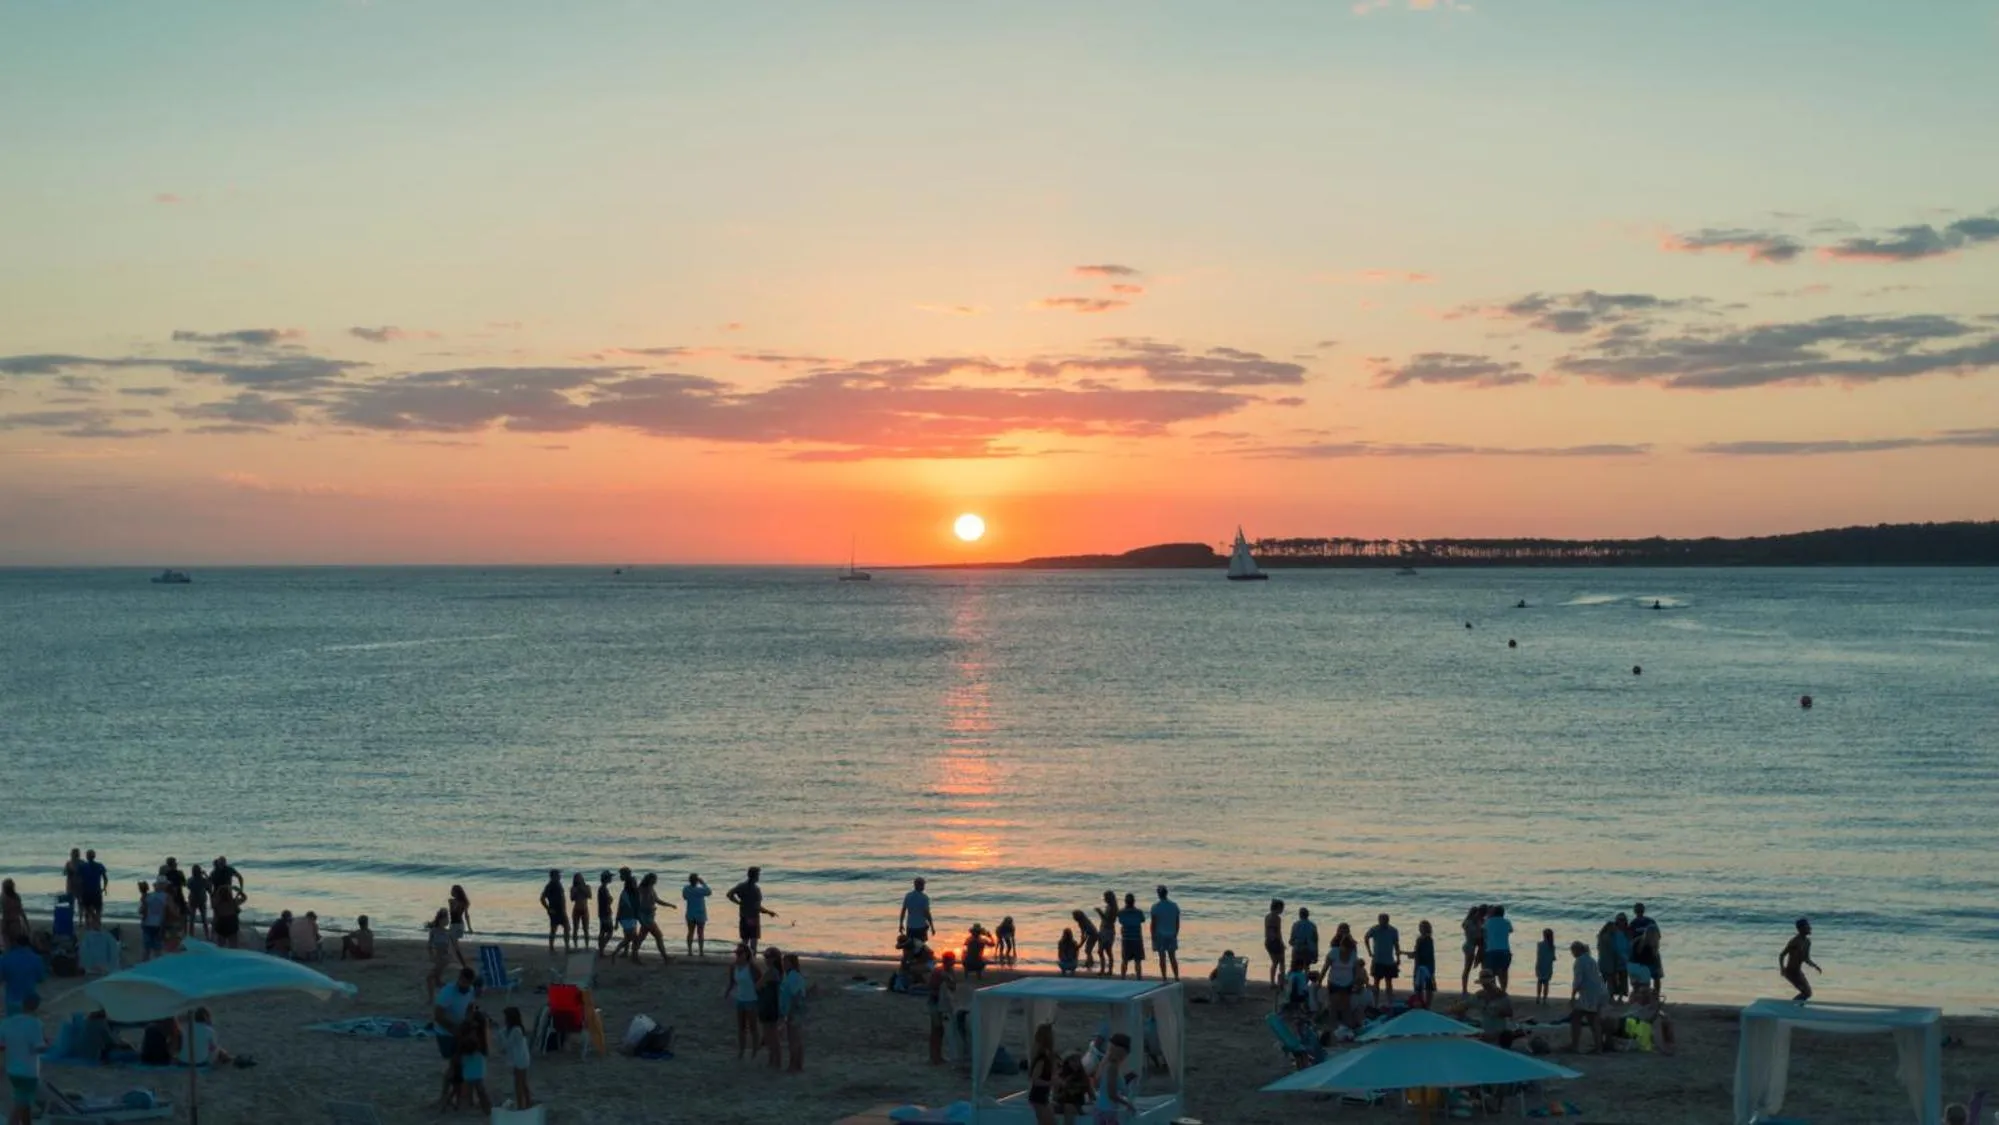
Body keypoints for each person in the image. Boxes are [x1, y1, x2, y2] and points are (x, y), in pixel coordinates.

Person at [433, 968, 477, 1105]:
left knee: (459, 1064)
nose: (464, 985)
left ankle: (455, 1096)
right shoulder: (448, 992)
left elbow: (470, 1007)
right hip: (445, 1032)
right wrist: (454, 1030)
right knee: (454, 1063)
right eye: (462, 981)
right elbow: (438, 1015)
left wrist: (468, 1022)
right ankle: (445, 1096)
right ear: (459, 979)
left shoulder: (470, 991)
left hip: (460, 1030)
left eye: (467, 983)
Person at [1, 993, 44, 1125]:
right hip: (29, 1071)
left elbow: (2, 1046)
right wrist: (48, 1045)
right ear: (36, 1007)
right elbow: (37, 1048)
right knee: (20, 1104)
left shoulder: (5, 1023)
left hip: (12, 1070)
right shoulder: (35, 1023)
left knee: (25, 1104)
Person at [1568, 941, 1608, 1053]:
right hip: (1600, 992)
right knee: (1593, 1020)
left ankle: (1575, 1045)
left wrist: (1572, 996)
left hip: (1589, 994)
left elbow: (1578, 981)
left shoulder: (1579, 961)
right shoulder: (1591, 960)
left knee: (1576, 1018)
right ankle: (1598, 1046)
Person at [727, 868, 777, 955]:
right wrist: (769, 912)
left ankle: (741, 957)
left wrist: (738, 903)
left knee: (745, 940)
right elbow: (757, 907)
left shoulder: (741, 886)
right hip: (753, 917)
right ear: (755, 876)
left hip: (743, 916)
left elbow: (729, 894)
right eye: (758, 875)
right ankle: (752, 958)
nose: (759, 876)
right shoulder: (756, 889)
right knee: (753, 941)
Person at [1090, 1032, 1135, 1124]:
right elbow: (1112, 1094)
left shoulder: (1105, 1062)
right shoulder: (1113, 1066)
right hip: (1108, 1111)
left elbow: (1097, 1084)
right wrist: (1128, 1104)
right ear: (1121, 1050)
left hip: (1101, 1109)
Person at [1321, 934, 1363, 1031]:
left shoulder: (1353, 954)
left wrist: (1358, 982)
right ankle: (1333, 1027)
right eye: (1346, 949)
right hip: (1334, 981)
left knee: (1346, 1006)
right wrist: (1320, 980)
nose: (1348, 952)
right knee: (1333, 1005)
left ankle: (1346, 1027)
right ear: (1342, 946)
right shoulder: (1334, 952)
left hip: (1347, 983)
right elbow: (1325, 967)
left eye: (1350, 950)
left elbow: (1356, 969)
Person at [455, 1004, 492, 1112]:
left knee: (476, 1085)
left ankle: (483, 1107)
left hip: (473, 1056)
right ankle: (472, 1106)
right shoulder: (472, 1023)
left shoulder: (476, 1022)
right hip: (472, 1056)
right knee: (474, 1084)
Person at [1468, 969, 1517, 1047]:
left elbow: (1510, 1013)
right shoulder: (1480, 995)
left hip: (1500, 1034)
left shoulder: (1502, 996)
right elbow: (1465, 1005)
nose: (1485, 985)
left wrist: (1497, 1012)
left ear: (1492, 982)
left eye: (1487, 983)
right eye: (1483, 984)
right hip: (1486, 1032)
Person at [636, 873, 677, 965]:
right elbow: (638, 904)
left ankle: (634, 955)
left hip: (650, 916)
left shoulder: (651, 888)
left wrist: (669, 905)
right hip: (646, 917)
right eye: (654, 879)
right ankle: (666, 958)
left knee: (641, 937)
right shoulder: (643, 889)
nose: (656, 881)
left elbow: (657, 900)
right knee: (658, 936)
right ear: (650, 880)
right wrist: (640, 918)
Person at [1, 938, 46, 1017]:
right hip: (29, 1002)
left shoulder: (6, 958)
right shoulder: (36, 958)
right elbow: (41, 978)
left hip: (12, 1001)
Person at [927, 950, 958, 1065]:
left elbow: (953, 986)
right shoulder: (939, 971)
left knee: (941, 1030)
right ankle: (934, 1057)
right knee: (936, 1029)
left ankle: (938, 1055)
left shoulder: (950, 972)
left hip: (944, 1003)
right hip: (935, 1003)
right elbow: (932, 987)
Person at [1780, 918, 1822, 1001]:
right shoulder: (1795, 941)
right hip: (1790, 972)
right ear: (1801, 929)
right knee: (1806, 993)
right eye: (1807, 926)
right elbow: (1782, 955)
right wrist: (1782, 968)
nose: (1810, 928)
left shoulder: (1807, 942)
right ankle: (1792, 1007)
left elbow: (1806, 958)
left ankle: (1797, 1007)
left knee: (1807, 993)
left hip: (1798, 972)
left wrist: (1815, 966)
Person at [756, 948, 784, 1069]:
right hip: (772, 1004)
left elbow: (758, 985)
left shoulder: (771, 972)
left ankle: (774, 1061)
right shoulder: (778, 972)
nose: (766, 960)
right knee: (771, 1034)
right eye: (765, 957)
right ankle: (773, 1060)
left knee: (770, 1034)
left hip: (768, 1005)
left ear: (774, 959)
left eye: (768, 957)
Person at [1364, 913, 1401, 1006]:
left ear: (1388, 920)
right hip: (1377, 960)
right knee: (1376, 982)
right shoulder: (1375, 929)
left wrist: (1398, 958)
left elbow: (1396, 944)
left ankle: (1390, 1003)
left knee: (1389, 982)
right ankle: (1375, 1003)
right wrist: (1369, 951)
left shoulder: (1393, 930)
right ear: (1379, 920)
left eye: (1385, 920)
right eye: (1381, 920)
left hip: (1389, 960)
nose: (1383, 922)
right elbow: (1366, 937)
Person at [780, 951, 807, 1072]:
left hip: (794, 1011)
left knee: (793, 1039)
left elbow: (796, 996)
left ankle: (794, 1064)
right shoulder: (792, 976)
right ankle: (798, 1064)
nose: (783, 964)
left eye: (786, 962)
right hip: (795, 1010)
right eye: (783, 962)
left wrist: (789, 1012)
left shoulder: (793, 977)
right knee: (796, 1039)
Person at [502, 1006, 533, 1111]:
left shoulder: (516, 1030)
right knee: (523, 1082)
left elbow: (508, 1044)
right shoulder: (517, 1029)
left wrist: (502, 1034)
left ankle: (521, 1105)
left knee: (518, 1084)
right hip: (522, 1058)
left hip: (520, 1060)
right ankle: (528, 1102)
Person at [1628, 902, 1663, 996]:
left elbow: (1630, 940)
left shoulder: (1635, 923)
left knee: (1650, 976)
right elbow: (1658, 936)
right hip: (1646, 952)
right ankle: (1654, 995)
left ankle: (1650, 995)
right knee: (1654, 976)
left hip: (1645, 952)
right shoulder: (1649, 922)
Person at [1027, 1022, 1058, 1125]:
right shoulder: (1042, 1059)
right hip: (1038, 1097)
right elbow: (1035, 1080)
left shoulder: (1047, 1057)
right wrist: (1050, 1083)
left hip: (1043, 1096)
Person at [1149, 886, 1180, 981]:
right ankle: (1176, 977)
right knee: (1172, 957)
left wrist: (1152, 936)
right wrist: (1176, 933)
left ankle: (1164, 977)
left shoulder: (1155, 907)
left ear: (1158, 894)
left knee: (1162, 957)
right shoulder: (1174, 906)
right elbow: (1177, 922)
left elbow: (1153, 924)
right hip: (1171, 934)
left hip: (1160, 935)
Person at [1482, 904, 1515, 990]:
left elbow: (1483, 931)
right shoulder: (1507, 922)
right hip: (1505, 950)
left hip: (1491, 950)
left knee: (1491, 973)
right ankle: (1503, 990)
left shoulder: (1488, 922)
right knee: (1503, 973)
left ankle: (1494, 990)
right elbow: (1511, 930)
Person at [1116, 894, 1147, 980]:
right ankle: (1139, 978)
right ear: (1134, 902)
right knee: (1137, 961)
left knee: (1125, 960)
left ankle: (1122, 978)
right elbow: (1143, 920)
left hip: (1126, 938)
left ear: (1125, 902)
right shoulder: (1139, 912)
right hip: (1137, 938)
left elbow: (1120, 921)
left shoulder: (1121, 912)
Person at [539, 869, 569, 954]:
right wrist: (548, 908)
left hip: (561, 910)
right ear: (553, 876)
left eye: (559, 875)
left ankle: (566, 947)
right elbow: (542, 898)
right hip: (555, 911)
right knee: (555, 929)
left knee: (566, 928)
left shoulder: (558, 884)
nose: (560, 876)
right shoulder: (550, 885)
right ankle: (552, 948)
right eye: (558, 875)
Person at [424, 909, 453, 996]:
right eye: (445, 919)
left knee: (430, 978)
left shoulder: (448, 932)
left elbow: (451, 947)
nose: (447, 921)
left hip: (444, 959)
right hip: (438, 958)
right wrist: (431, 956)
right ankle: (435, 997)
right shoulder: (434, 931)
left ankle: (432, 999)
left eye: (448, 919)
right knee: (435, 980)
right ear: (440, 919)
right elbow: (429, 945)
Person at [1459, 904, 1486, 993]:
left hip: (1473, 946)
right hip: (1469, 946)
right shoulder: (1469, 923)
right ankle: (1464, 989)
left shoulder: (1477, 922)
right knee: (1467, 968)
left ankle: (1485, 986)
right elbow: (1476, 935)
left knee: (1476, 967)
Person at [682, 873, 711, 957]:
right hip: (700, 913)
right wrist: (703, 883)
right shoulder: (700, 890)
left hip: (690, 913)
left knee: (690, 932)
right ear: (697, 880)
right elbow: (709, 892)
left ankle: (690, 951)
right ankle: (701, 951)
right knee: (700, 933)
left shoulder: (686, 889)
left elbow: (684, 897)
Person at [78, 850, 108, 929]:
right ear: (94, 856)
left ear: (87, 857)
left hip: (86, 891)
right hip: (96, 891)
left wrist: (80, 892)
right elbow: (105, 878)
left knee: (87, 911)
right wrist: (104, 888)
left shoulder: (82, 866)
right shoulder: (100, 865)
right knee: (98, 910)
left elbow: (79, 881)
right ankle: (97, 925)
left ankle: (88, 926)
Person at [138, 881, 167, 961]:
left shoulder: (148, 896)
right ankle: (157, 966)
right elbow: (166, 914)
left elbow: (142, 911)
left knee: (147, 948)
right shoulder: (166, 897)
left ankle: (145, 966)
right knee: (157, 949)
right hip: (158, 925)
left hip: (148, 924)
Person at [1411, 919, 1437, 1007]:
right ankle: (1425, 1004)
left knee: (1421, 986)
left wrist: (1411, 954)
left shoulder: (1424, 939)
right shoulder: (1427, 939)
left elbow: (1419, 953)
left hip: (1423, 965)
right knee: (1425, 985)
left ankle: (1424, 1004)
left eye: (1421, 927)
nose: (1420, 929)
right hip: (1427, 965)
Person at [211, 879, 243, 949]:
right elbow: (244, 898)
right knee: (234, 946)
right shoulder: (233, 903)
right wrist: (239, 891)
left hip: (221, 925)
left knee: (220, 947)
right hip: (232, 924)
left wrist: (214, 928)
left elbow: (216, 917)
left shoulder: (217, 904)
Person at [900, 878, 933, 943]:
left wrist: (901, 924)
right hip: (921, 926)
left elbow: (903, 911)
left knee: (911, 945)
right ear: (919, 885)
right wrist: (932, 926)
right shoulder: (924, 897)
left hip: (910, 926)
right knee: (921, 945)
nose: (924, 887)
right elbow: (927, 913)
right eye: (923, 885)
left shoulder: (908, 896)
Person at [1263, 899, 1287, 989]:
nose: (1282, 910)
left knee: (1274, 963)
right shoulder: (1277, 918)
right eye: (1282, 908)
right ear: (1278, 908)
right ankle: (1281, 983)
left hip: (1268, 941)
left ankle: (1272, 982)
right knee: (1282, 962)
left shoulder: (1267, 916)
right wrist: (1282, 943)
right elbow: (1278, 932)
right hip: (1275, 941)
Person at [447, 885, 474, 968]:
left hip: (456, 925)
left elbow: (454, 912)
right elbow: (466, 916)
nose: (451, 892)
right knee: (454, 944)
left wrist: (470, 927)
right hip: (459, 924)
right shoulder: (463, 902)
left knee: (455, 945)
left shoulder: (453, 901)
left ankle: (463, 964)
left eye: (453, 891)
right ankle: (459, 962)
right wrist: (469, 927)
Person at [1095, 893, 1118, 975]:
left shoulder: (1112, 908)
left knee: (1101, 951)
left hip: (1107, 931)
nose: (1104, 899)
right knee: (1107, 951)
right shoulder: (1111, 907)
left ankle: (1104, 970)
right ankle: (1108, 970)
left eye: (1105, 897)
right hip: (1107, 930)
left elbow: (1108, 920)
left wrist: (1100, 912)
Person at [186, 864, 211, 940]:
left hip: (193, 900)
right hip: (201, 900)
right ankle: (207, 936)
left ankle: (191, 936)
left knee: (192, 919)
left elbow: (188, 886)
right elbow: (209, 887)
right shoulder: (203, 880)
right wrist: (205, 875)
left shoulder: (190, 880)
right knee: (204, 919)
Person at [595, 871, 617, 957]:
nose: (611, 878)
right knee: (609, 931)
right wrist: (611, 899)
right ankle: (601, 949)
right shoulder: (603, 889)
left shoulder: (602, 888)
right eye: (610, 877)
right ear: (606, 879)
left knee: (603, 931)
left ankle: (601, 950)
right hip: (605, 912)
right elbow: (608, 901)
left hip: (602, 912)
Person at [567, 873, 590, 948]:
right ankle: (575, 946)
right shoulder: (573, 888)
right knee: (575, 929)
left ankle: (587, 946)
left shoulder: (587, 886)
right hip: (576, 910)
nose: (578, 879)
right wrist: (576, 891)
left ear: (582, 879)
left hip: (584, 909)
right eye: (577, 878)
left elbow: (589, 896)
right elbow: (572, 899)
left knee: (586, 929)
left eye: (580, 878)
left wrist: (582, 889)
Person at [1535, 928, 1558, 1005]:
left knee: (1539, 981)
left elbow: (1538, 955)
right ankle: (1544, 999)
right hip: (1548, 966)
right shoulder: (1552, 946)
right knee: (1546, 983)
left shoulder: (1539, 944)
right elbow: (1553, 958)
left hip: (1540, 964)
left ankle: (1538, 997)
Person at [0, 884, 24, 949]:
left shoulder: (3, 897)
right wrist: (26, 924)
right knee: (15, 943)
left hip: (8, 922)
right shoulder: (17, 897)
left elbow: (5, 913)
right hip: (16, 922)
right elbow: (21, 911)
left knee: (7, 945)